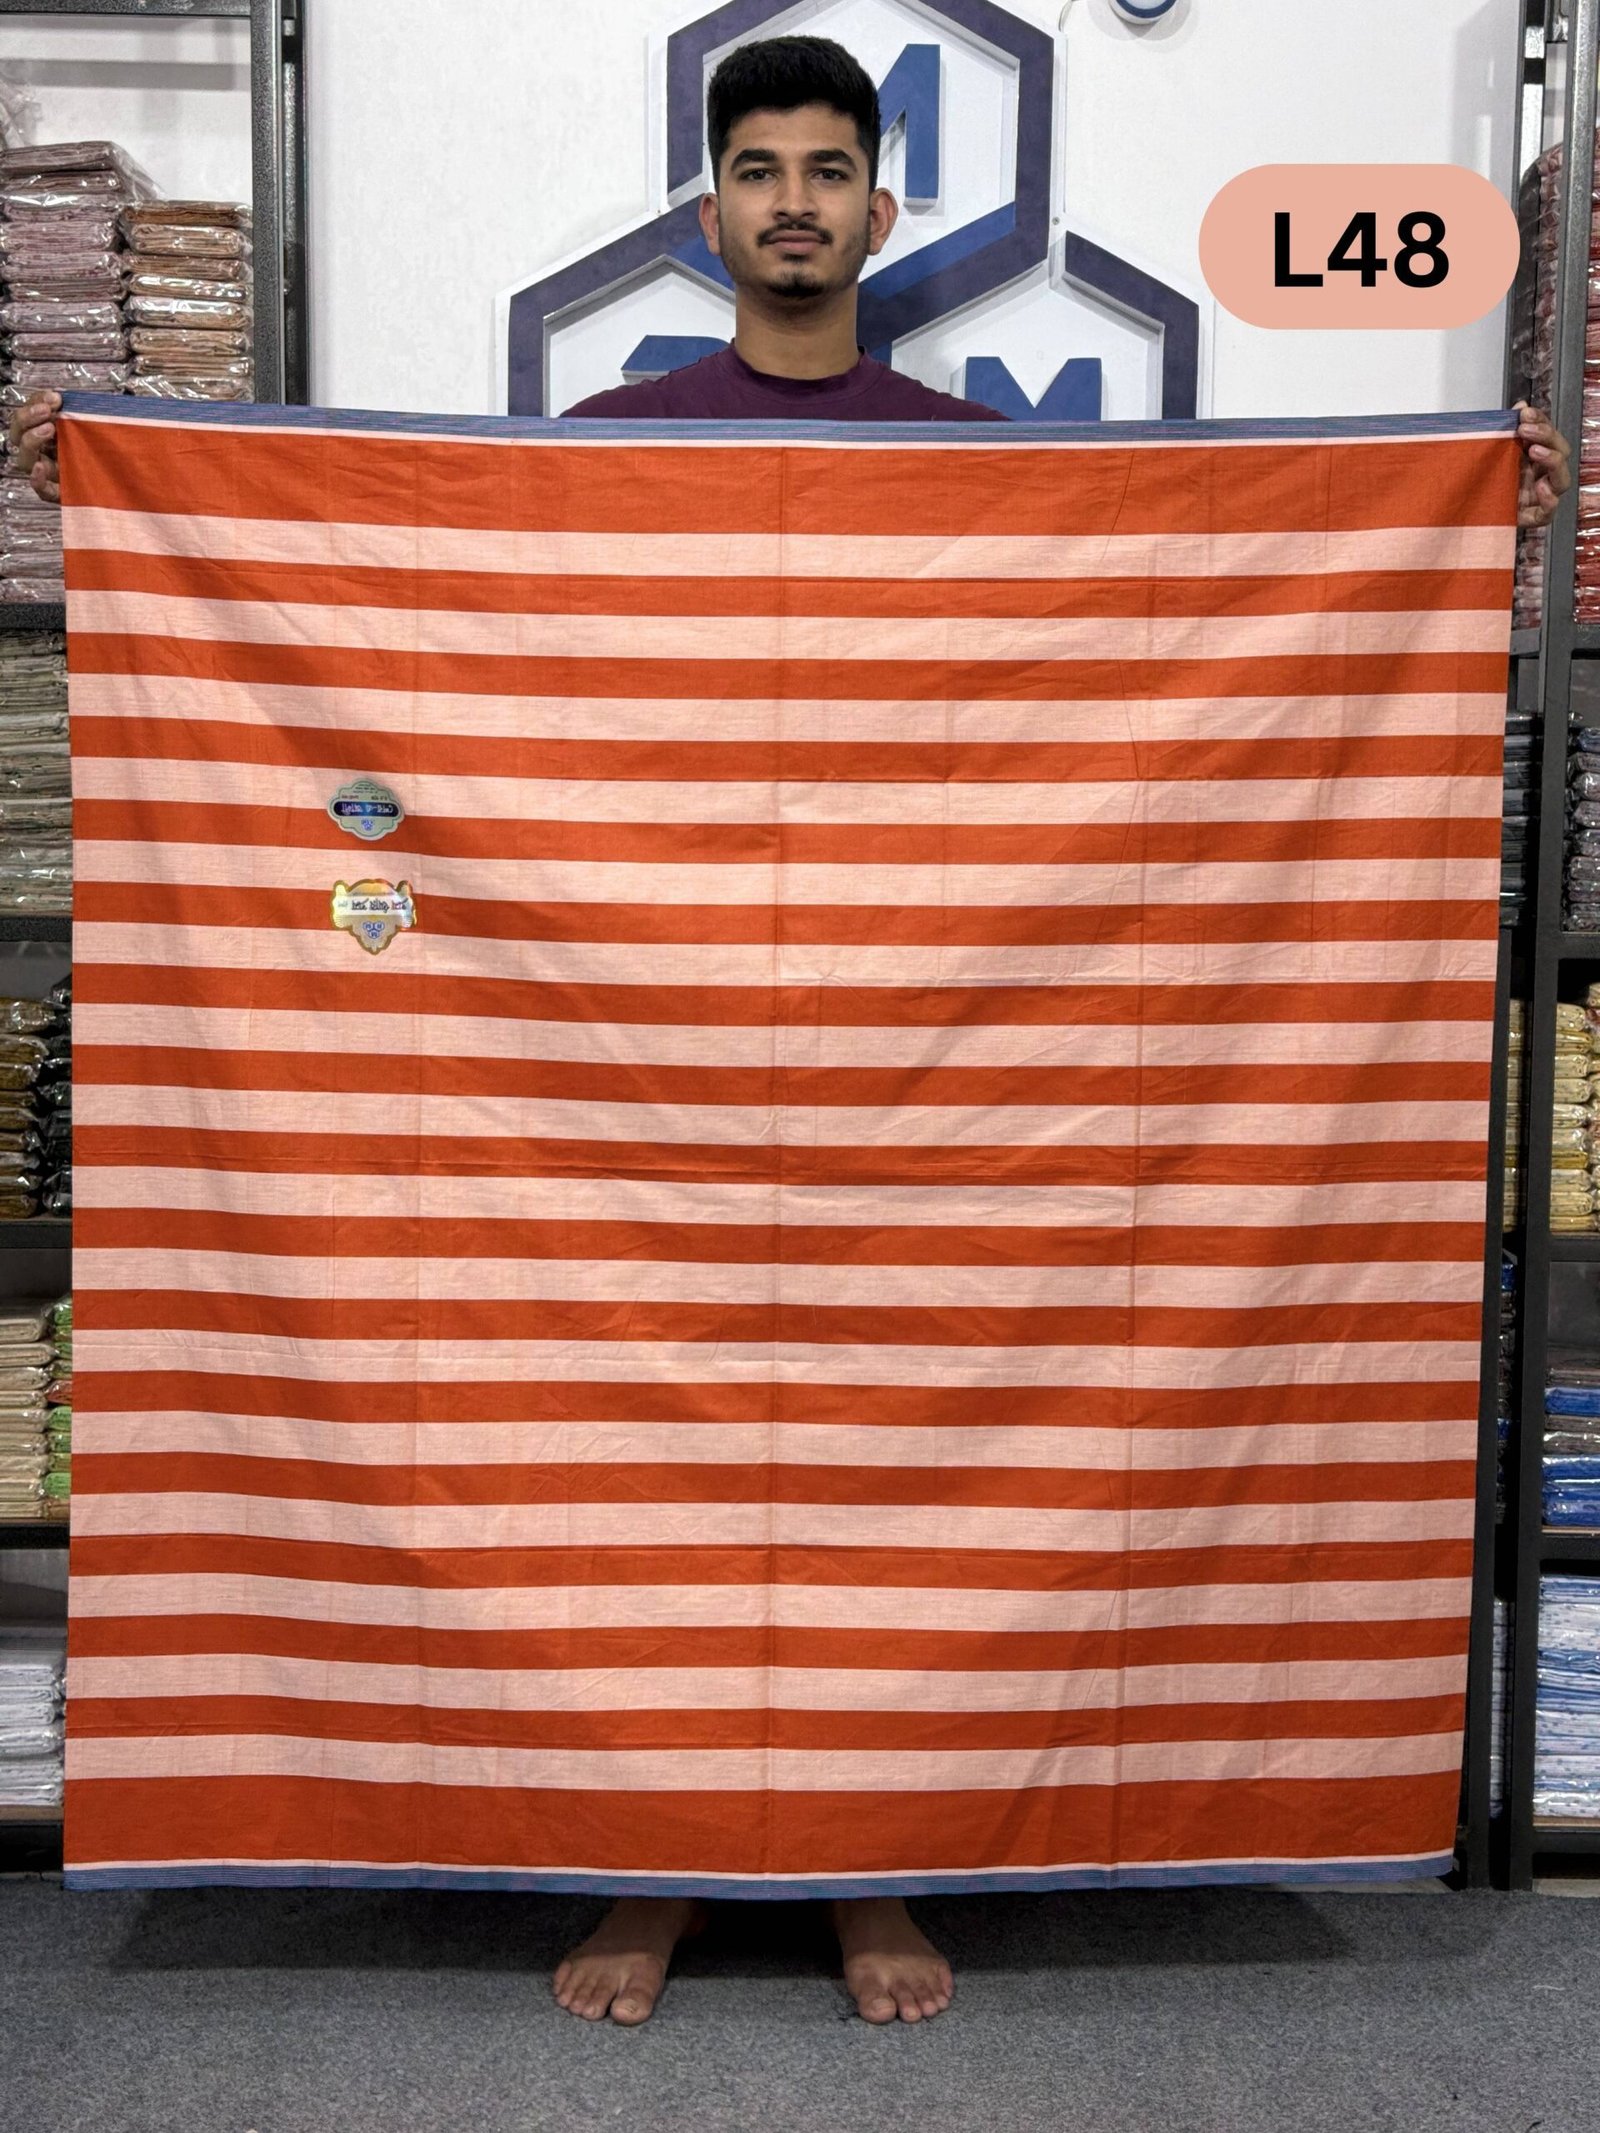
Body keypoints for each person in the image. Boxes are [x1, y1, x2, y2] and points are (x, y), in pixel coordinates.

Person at [7, 32, 1574, 2036]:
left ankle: (870, 1865)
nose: (794, 204)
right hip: (622, 1077)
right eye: (758, 170)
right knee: (616, 1440)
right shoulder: (606, 448)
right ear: (709, 209)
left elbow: (1158, 645)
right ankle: (649, 1861)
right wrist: (132, 491)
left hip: (923, 1082)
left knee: (887, 1432)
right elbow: (457, 664)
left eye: (827, 170)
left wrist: (1447, 518)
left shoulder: (968, 466)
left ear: (881, 208)